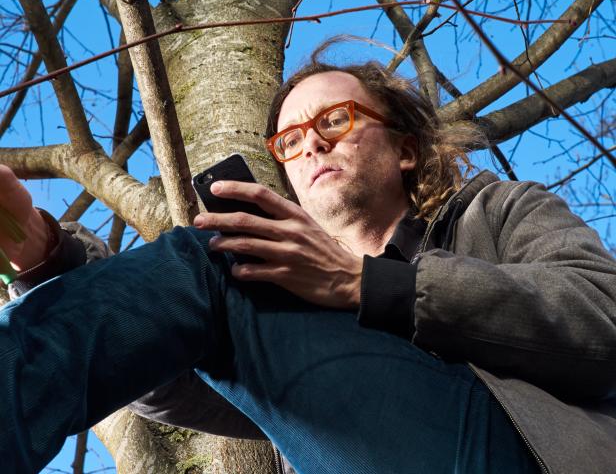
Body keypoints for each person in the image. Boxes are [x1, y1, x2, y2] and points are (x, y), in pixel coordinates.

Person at [1, 59, 615, 474]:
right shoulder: (286, 319)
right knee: (230, 269)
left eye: (334, 122)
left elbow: (601, 317)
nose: (311, 144)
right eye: (289, 141)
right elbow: (155, 377)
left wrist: (367, 285)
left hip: (523, 454)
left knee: (219, 262)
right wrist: (44, 254)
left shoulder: (499, 210)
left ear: (405, 148)